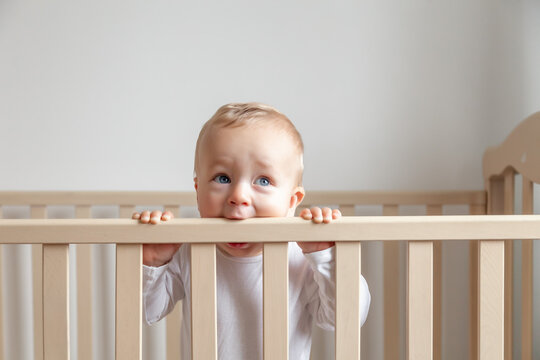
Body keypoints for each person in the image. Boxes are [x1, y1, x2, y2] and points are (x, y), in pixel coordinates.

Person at [133, 102, 370, 359]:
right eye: (223, 178)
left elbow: (345, 318)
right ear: (198, 190)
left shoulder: (302, 259)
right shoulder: (189, 250)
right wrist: (153, 262)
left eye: (263, 180)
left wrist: (325, 257)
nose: (238, 196)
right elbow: (145, 312)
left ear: (292, 202)